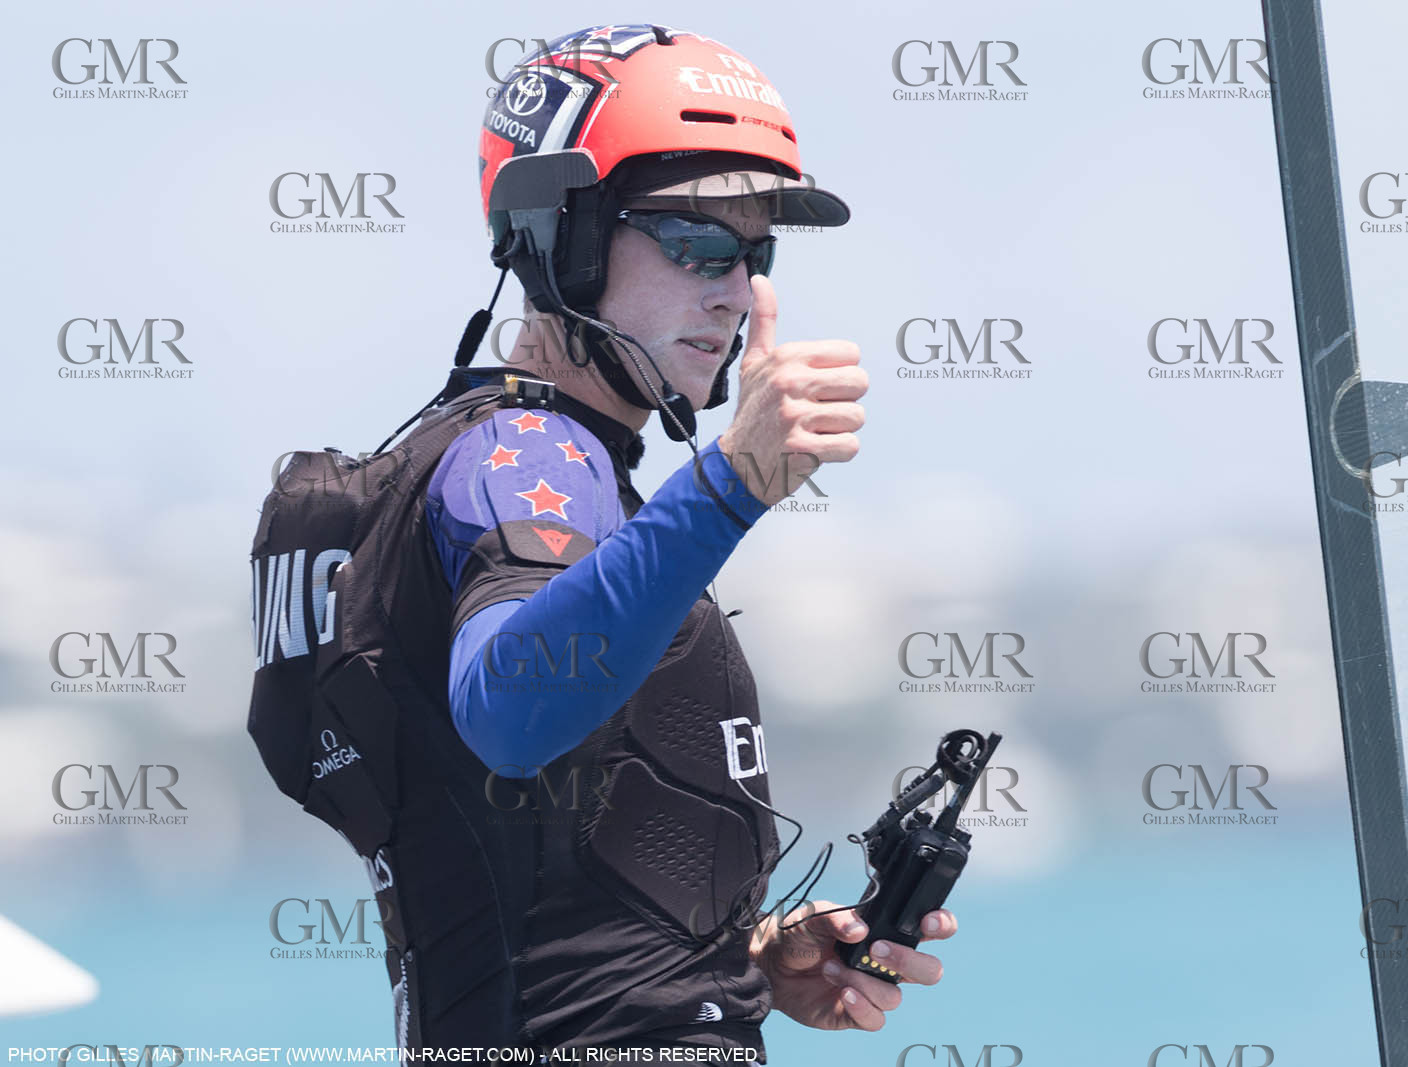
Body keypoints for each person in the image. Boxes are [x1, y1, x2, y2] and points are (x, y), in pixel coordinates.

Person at [248, 23, 957, 1061]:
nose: (733, 289)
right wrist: (731, 484)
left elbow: (523, 875)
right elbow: (507, 710)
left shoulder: (529, 468)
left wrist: (741, 961)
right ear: (561, 241)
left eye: (756, 252)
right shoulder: (529, 452)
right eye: (695, 242)